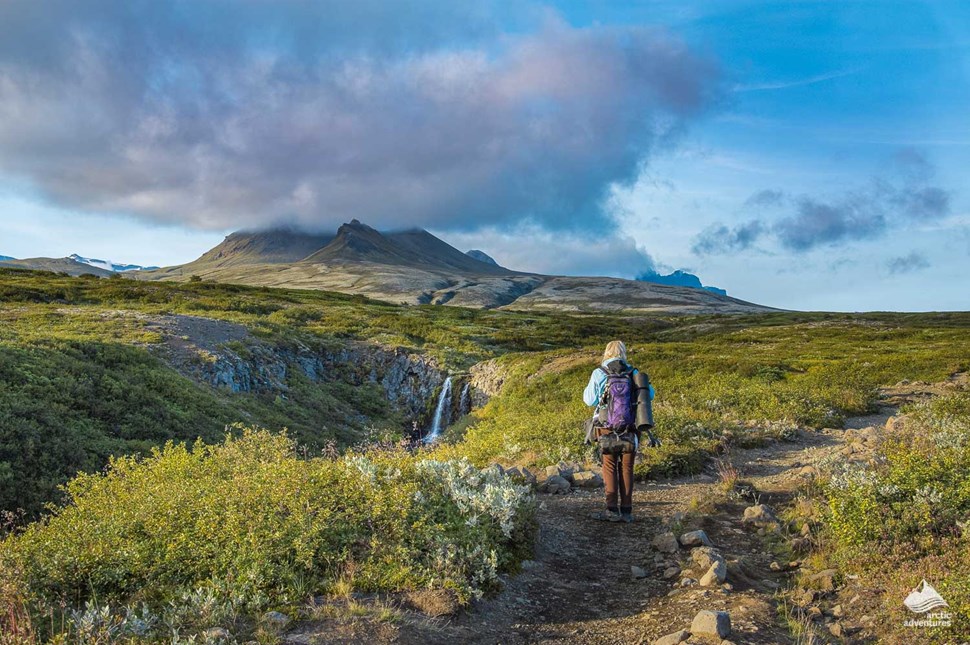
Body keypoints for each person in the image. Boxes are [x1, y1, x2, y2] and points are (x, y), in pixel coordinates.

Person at [583, 340, 654, 523]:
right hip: (631, 427)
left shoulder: (599, 373)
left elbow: (589, 400)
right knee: (627, 467)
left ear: (606, 353)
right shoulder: (634, 372)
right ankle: (627, 511)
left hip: (606, 427)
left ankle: (612, 510)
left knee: (609, 466)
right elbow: (650, 395)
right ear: (624, 353)